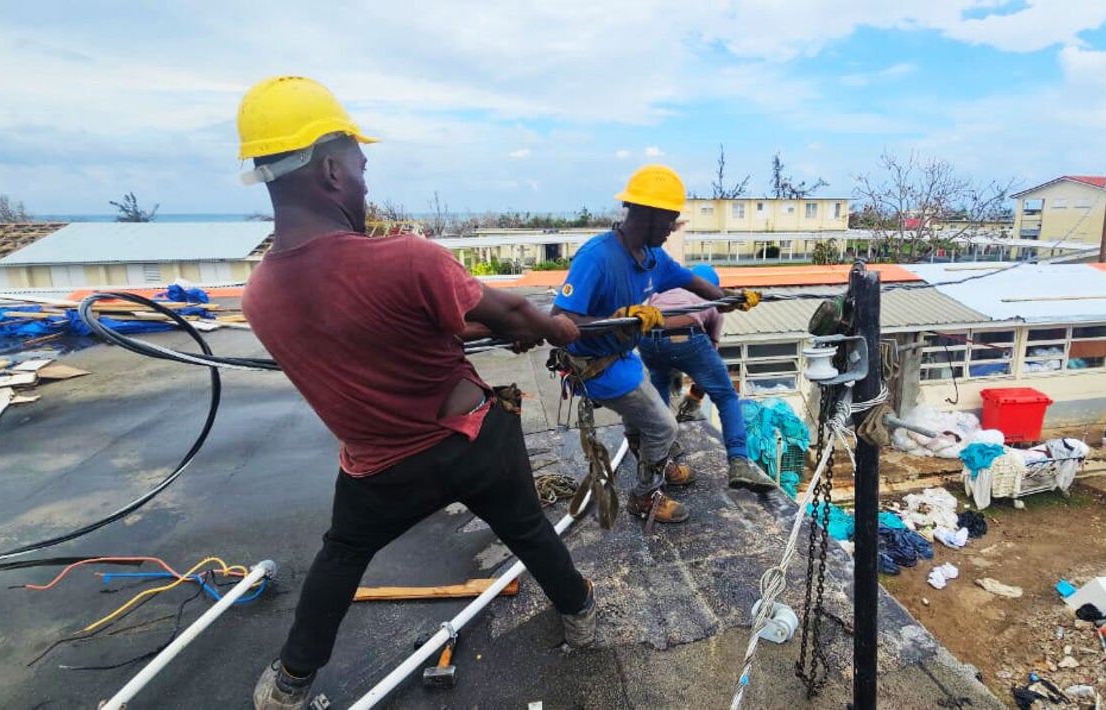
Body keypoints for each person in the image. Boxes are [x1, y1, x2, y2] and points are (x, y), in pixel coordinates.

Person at [235, 76, 596, 710]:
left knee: (342, 555)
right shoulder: (405, 258)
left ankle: (289, 685)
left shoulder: (258, 296)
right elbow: (512, 313)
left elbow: (396, 328)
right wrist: (554, 327)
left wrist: (496, 325)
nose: (366, 184)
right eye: (360, 167)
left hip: (379, 468)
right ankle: (585, 615)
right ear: (329, 170)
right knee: (529, 530)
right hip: (472, 442)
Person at [551, 165, 760, 524]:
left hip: (623, 359)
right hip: (596, 367)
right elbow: (559, 321)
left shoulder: (652, 258)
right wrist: (619, 318)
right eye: (670, 221)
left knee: (643, 417)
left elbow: (694, 282)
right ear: (648, 215)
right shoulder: (597, 257)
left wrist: (731, 298)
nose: (671, 230)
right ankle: (645, 497)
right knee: (664, 426)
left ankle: (655, 464)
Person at [640, 264, 776, 492]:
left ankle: (663, 451)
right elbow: (707, 356)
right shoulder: (713, 301)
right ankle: (739, 461)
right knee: (726, 397)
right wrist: (695, 396)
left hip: (648, 339)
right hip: (688, 335)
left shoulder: (663, 290)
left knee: (660, 386)